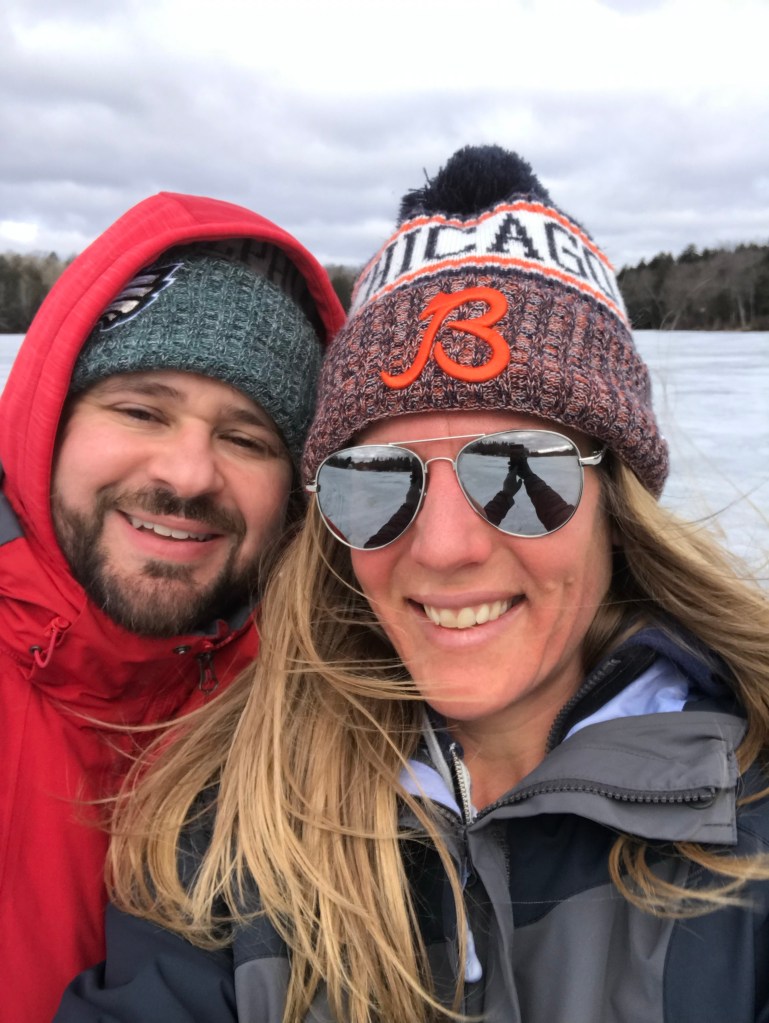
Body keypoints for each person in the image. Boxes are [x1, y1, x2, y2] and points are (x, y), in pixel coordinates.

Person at [57, 147, 769, 1023]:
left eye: (519, 471)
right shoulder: (227, 826)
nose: (442, 548)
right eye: (377, 479)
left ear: (614, 505)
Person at [0, 190, 344, 1020]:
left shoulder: (334, 717)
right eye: (140, 410)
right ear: (51, 419)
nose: (188, 474)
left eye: (246, 437)